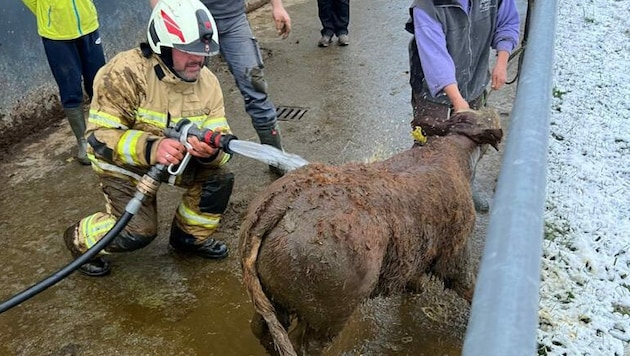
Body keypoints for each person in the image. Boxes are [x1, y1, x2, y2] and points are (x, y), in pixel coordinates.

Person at [63, 0, 235, 276]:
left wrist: (211, 151)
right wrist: (152, 148)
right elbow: (98, 138)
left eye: (203, 52)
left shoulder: (208, 82)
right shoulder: (125, 72)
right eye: (188, 51)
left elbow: (221, 136)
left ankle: (188, 239)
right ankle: (79, 239)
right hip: (121, 162)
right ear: (162, 46)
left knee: (218, 178)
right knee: (137, 233)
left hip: (175, 159)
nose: (198, 60)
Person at [150, 0, 292, 176]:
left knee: (255, 87)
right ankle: (191, 163)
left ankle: (276, 158)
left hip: (232, 19)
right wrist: (165, 17)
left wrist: (277, 5)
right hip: (190, 24)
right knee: (189, 91)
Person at [406, 0, 520, 212]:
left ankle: (465, 184)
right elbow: (435, 58)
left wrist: (502, 62)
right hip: (431, 88)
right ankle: (426, 198)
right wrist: (459, 102)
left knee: (471, 139)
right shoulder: (426, 6)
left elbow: (507, 21)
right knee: (430, 143)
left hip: (473, 79)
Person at [21, 0, 106, 165]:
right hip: (57, 35)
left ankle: (104, 133)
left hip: (88, 25)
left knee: (98, 83)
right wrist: (49, 13)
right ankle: (84, 142)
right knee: (70, 89)